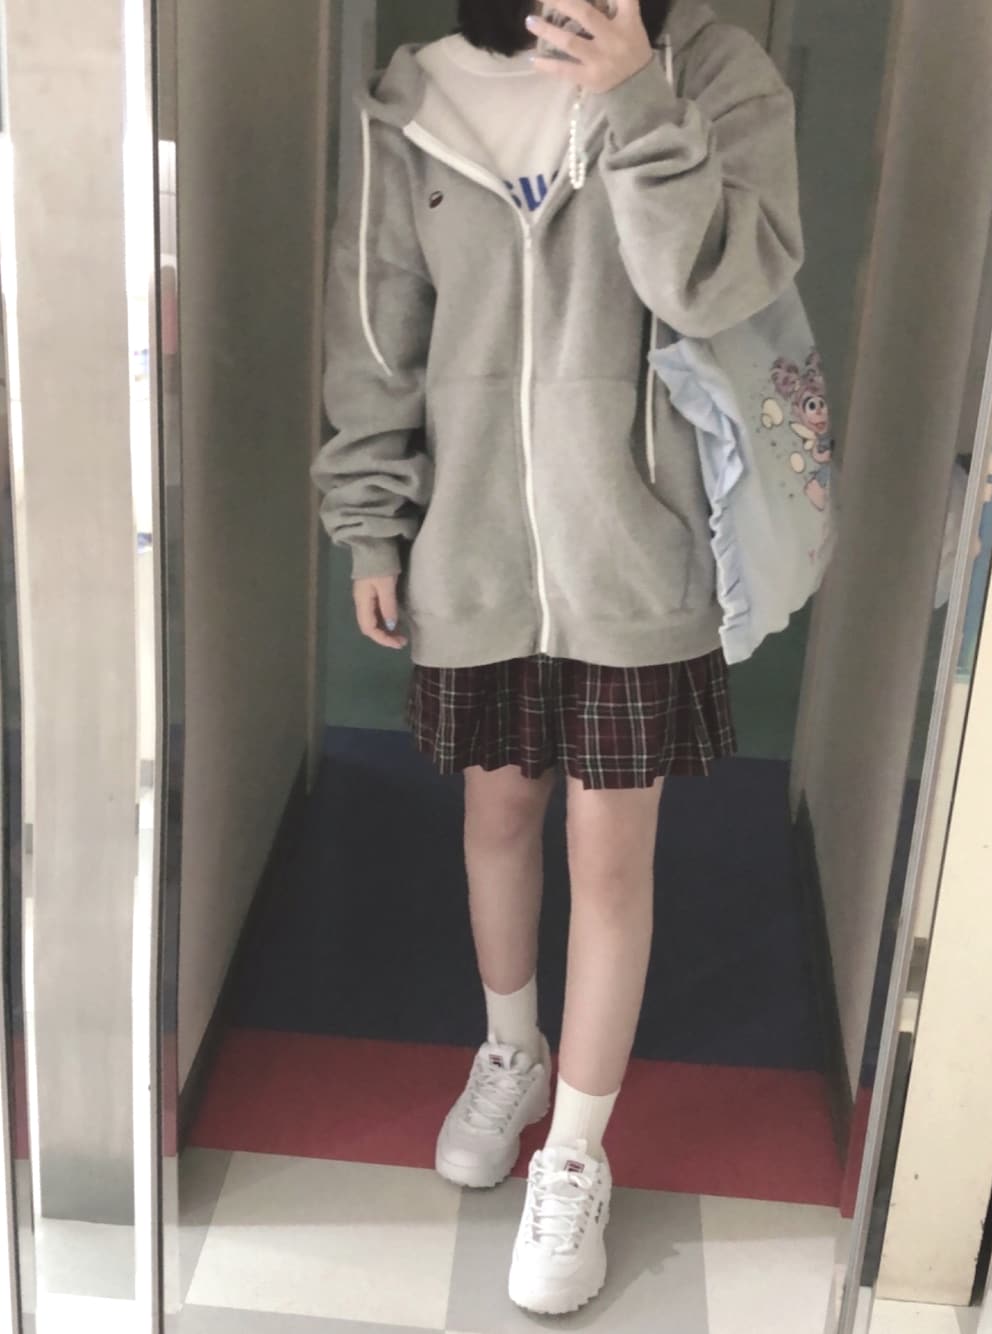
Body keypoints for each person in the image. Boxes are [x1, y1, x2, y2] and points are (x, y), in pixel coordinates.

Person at [311, 0, 803, 1314]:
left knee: (610, 854)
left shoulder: (717, 74)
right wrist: (371, 524)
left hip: (634, 551)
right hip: (473, 547)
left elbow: (715, 284)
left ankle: (576, 1153)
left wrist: (639, 100)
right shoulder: (422, 95)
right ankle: (510, 1052)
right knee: (496, 813)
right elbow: (378, 332)